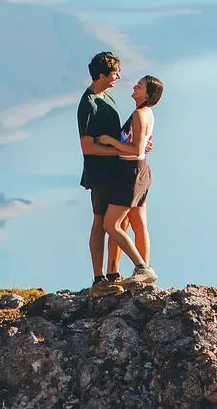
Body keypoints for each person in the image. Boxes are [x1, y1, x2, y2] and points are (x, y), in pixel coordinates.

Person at [94, 74, 163, 286]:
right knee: (138, 224)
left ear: (149, 94)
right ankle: (144, 273)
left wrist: (109, 141)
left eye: (140, 86)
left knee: (110, 224)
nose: (135, 87)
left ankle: (142, 268)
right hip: (141, 172)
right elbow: (141, 146)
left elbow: (136, 149)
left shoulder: (139, 115)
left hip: (130, 173)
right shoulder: (147, 113)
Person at [77, 51, 127, 290]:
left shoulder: (107, 97)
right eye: (115, 72)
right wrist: (119, 152)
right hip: (99, 173)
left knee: (119, 221)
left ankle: (113, 272)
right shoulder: (88, 104)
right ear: (101, 75)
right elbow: (87, 146)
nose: (118, 76)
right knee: (100, 222)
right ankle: (99, 279)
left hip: (116, 170)